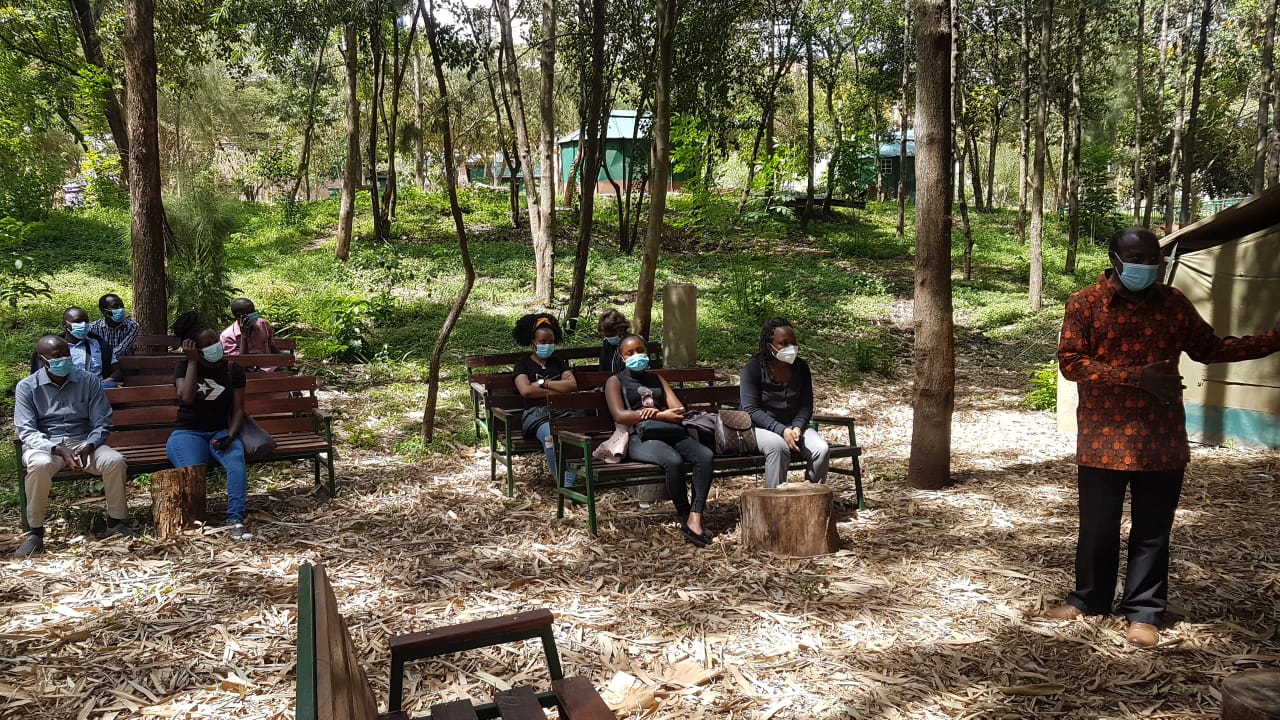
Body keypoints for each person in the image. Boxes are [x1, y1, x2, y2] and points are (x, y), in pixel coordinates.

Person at [1046, 227, 1280, 648]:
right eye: (1137, 260)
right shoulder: (1086, 304)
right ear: (1115, 260)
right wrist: (1137, 378)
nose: (1146, 268)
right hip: (1104, 437)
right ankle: (1089, 600)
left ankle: (1145, 612)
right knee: (1097, 528)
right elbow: (1071, 362)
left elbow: (1210, 348)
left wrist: (1271, 341)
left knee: (1153, 531)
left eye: (1153, 260)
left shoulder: (1172, 303)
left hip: (1161, 439)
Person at [13, 335, 137, 556]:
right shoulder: (27, 387)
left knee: (114, 461)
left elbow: (102, 421)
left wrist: (89, 445)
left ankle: (116, 523)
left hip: (83, 442)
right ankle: (35, 532)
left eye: (66, 354)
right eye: (57, 356)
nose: (64, 360)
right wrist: (56, 448)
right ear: (43, 360)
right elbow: (26, 430)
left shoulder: (88, 381)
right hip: (46, 446)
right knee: (40, 465)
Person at [605, 335, 715, 547]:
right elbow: (620, 415)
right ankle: (683, 513)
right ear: (621, 357)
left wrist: (663, 414)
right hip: (639, 438)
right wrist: (658, 415)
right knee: (673, 461)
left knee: (704, 456)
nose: (636, 356)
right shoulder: (615, 381)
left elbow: (679, 409)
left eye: (640, 350)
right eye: (630, 353)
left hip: (670, 432)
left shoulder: (657, 379)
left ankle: (695, 515)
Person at [168, 312, 253, 540]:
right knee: (194, 472)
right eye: (207, 344)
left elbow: (238, 410)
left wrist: (232, 436)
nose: (215, 346)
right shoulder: (183, 367)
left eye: (215, 340)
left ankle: (235, 519)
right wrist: (193, 361)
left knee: (236, 463)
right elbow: (185, 398)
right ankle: (197, 521)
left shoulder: (232, 369)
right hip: (188, 433)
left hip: (220, 431)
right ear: (194, 348)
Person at [740, 317, 830, 489]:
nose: (790, 348)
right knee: (778, 447)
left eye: (793, 342)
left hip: (793, 426)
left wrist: (797, 427)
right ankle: (774, 504)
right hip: (759, 427)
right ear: (770, 346)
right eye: (783, 343)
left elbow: (806, 405)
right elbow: (750, 409)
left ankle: (811, 498)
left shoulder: (801, 368)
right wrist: (781, 430)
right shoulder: (753, 369)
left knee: (821, 449)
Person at [512, 313, 578, 488]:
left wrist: (543, 383)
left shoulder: (559, 362)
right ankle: (563, 486)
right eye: (543, 341)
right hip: (537, 416)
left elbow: (571, 385)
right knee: (550, 438)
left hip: (564, 412)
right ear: (533, 341)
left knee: (574, 438)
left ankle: (569, 483)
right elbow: (526, 390)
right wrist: (557, 388)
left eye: (551, 341)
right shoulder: (523, 364)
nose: (547, 345)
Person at [31, 306, 123, 387]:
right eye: (77, 321)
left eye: (86, 321)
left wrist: (101, 383)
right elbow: (39, 375)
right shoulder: (53, 348)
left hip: (96, 389)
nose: (83, 325)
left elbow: (117, 371)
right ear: (65, 324)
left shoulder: (99, 345)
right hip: (64, 389)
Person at [89, 293, 141, 358]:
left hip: (125, 364)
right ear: (104, 311)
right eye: (115, 307)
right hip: (101, 366)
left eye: (122, 306)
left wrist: (105, 358)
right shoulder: (93, 328)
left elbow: (122, 349)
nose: (121, 309)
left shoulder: (132, 326)